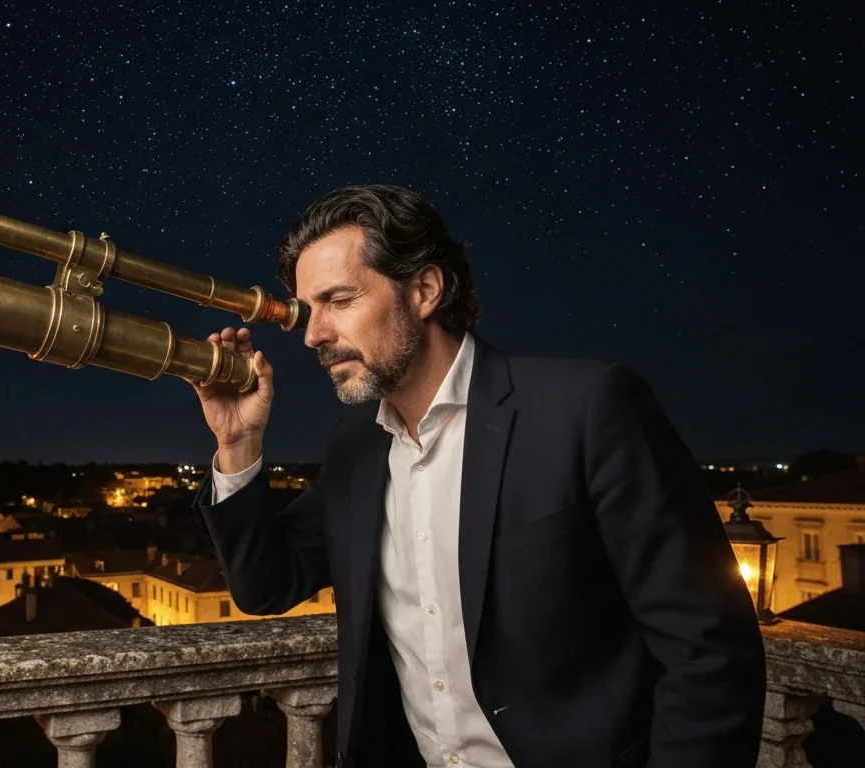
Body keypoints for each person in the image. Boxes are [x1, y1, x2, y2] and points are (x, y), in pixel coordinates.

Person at [190, 185, 766, 768]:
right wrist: (238, 443)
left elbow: (710, 654)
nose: (314, 334)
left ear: (425, 290)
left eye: (338, 300)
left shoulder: (587, 410)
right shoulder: (354, 447)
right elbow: (265, 586)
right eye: (309, 310)